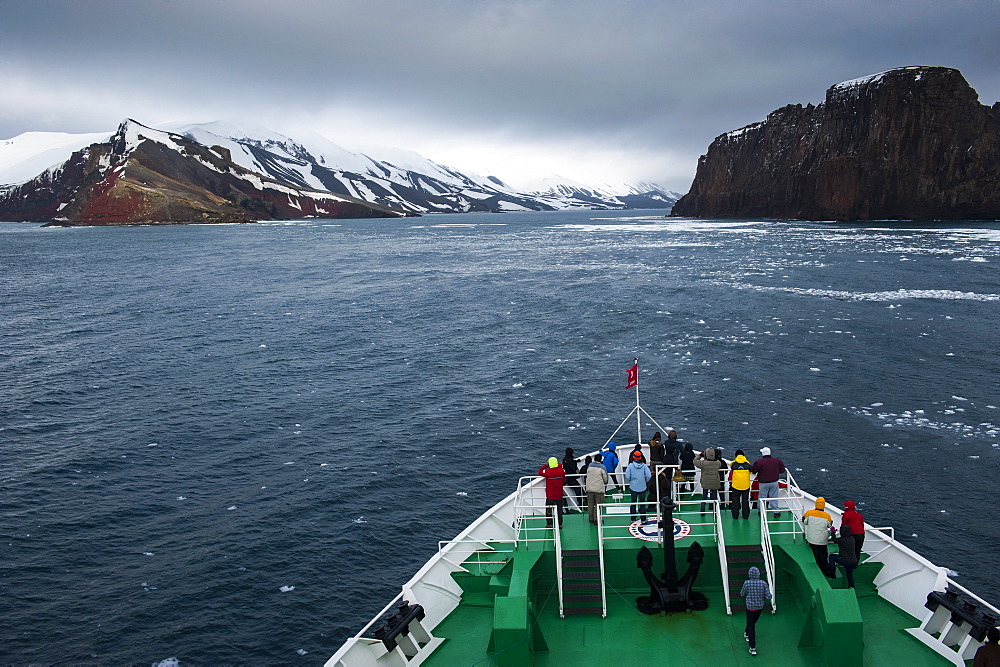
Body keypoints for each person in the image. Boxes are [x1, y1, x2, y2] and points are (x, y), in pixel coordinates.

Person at [740, 566, 772, 656]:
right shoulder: (763, 583)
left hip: (750, 607)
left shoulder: (747, 583)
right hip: (759, 607)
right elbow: (768, 596)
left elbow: (742, 593)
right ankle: (747, 633)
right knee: (753, 623)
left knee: (751, 625)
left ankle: (752, 647)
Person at [802, 497, 835, 577]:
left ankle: (816, 569)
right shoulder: (827, 516)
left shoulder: (809, 513)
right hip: (822, 541)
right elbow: (829, 525)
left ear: (816, 504)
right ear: (824, 505)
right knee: (823, 555)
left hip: (811, 539)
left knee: (815, 554)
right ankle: (826, 570)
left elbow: (804, 521)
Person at [751, 446, 786, 519]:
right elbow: (782, 470)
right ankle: (776, 512)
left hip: (763, 483)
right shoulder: (777, 461)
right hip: (774, 482)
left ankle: (761, 511)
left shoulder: (759, 462)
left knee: (762, 497)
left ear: (763, 454)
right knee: (774, 497)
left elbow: (754, 470)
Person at [624, 449, 652, 522]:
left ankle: (633, 519)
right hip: (642, 487)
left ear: (633, 457)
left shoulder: (630, 466)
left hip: (633, 487)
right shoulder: (644, 466)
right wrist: (644, 481)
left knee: (633, 503)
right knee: (642, 503)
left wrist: (631, 481)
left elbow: (627, 476)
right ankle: (643, 519)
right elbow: (649, 475)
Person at [538, 457, 566, 529]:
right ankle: (560, 524)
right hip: (559, 494)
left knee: (549, 510)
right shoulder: (562, 471)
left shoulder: (548, 472)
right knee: (559, 510)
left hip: (550, 495)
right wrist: (557, 465)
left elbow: (540, 471)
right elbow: (561, 467)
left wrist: (546, 465)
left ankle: (549, 524)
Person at [694, 447, 723, 514]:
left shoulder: (703, 463)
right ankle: (716, 512)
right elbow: (719, 463)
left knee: (704, 497)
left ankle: (702, 511)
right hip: (715, 482)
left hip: (705, 482)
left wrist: (699, 455)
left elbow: (695, 461)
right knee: (715, 498)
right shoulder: (718, 463)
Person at [585, 453, 609, 525]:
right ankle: (597, 519)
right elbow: (605, 479)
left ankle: (591, 518)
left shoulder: (590, 466)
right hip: (599, 489)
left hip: (589, 488)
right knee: (598, 504)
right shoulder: (602, 467)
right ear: (601, 459)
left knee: (590, 504)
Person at [729, 450, 752, 519]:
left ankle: (735, 515)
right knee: (745, 501)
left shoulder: (733, 464)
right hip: (745, 485)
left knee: (735, 501)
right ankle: (746, 515)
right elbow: (751, 470)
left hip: (736, 485)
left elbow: (732, 468)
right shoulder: (748, 464)